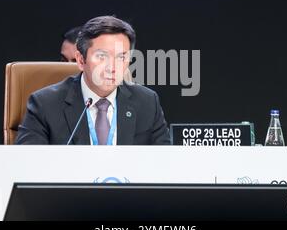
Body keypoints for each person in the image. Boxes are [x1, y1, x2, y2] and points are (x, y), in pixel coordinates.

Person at [16, 15, 171, 145]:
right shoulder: (45, 105)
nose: (112, 67)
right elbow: (28, 166)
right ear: (81, 60)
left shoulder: (148, 103)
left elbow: (165, 167)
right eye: (102, 56)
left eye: (121, 57)